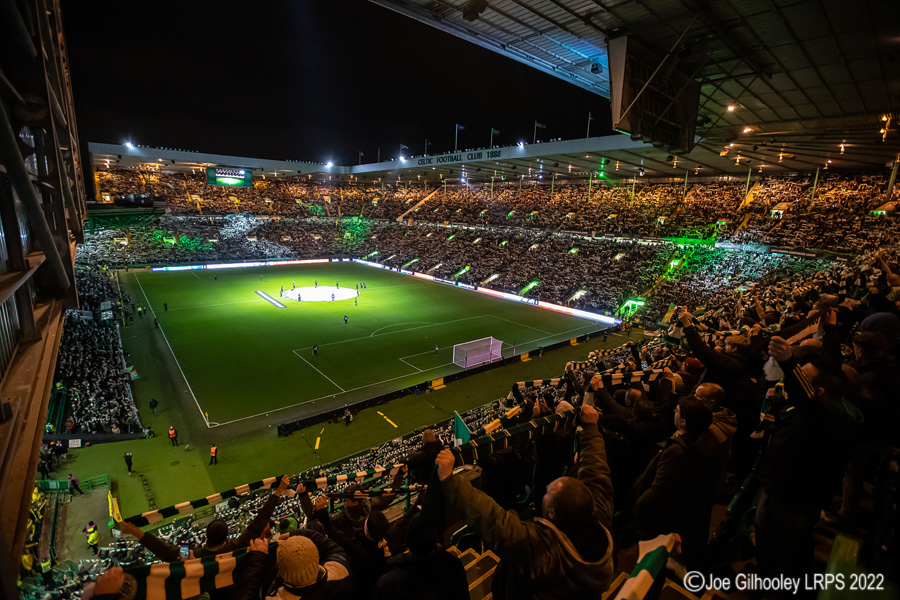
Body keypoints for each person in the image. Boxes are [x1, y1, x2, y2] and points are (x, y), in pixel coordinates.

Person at [435, 404, 614, 599]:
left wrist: (449, 481)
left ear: (552, 514)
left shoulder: (541, 550)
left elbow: (492, 519)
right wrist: (590, 429)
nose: (545, 489)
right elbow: (596, 470)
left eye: (548, 494)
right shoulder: (599, 517)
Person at [120, 475, 292, 561]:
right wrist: (278, 492)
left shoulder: (195, 555)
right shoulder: (237, 546)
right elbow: (259, 521)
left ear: (206, 536)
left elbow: (166, 551)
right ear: (226, 537)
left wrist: (138, 534)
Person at [236, 530, 352, 600]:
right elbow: (328, 545)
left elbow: (246, 595)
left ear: (281, 570)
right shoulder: (340, 571)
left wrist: (256, 558)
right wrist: (296, 534)